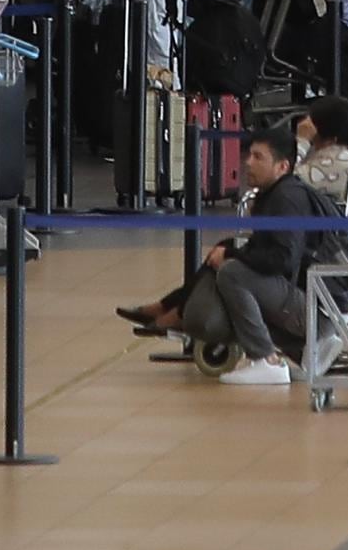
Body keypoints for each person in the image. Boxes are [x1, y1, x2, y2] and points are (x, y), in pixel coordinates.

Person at [132, 112, 324, 384]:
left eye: (258, 158)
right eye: (250, 155)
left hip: (310, 307)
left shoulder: (287, 199)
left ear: (282, 166)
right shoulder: (275, 193)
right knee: (227, 250)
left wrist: (233, 256)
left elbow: (283, 260)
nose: (248, 163)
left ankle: (265, 359)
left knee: (233, 271)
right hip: (297, 296)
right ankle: (174, 307)